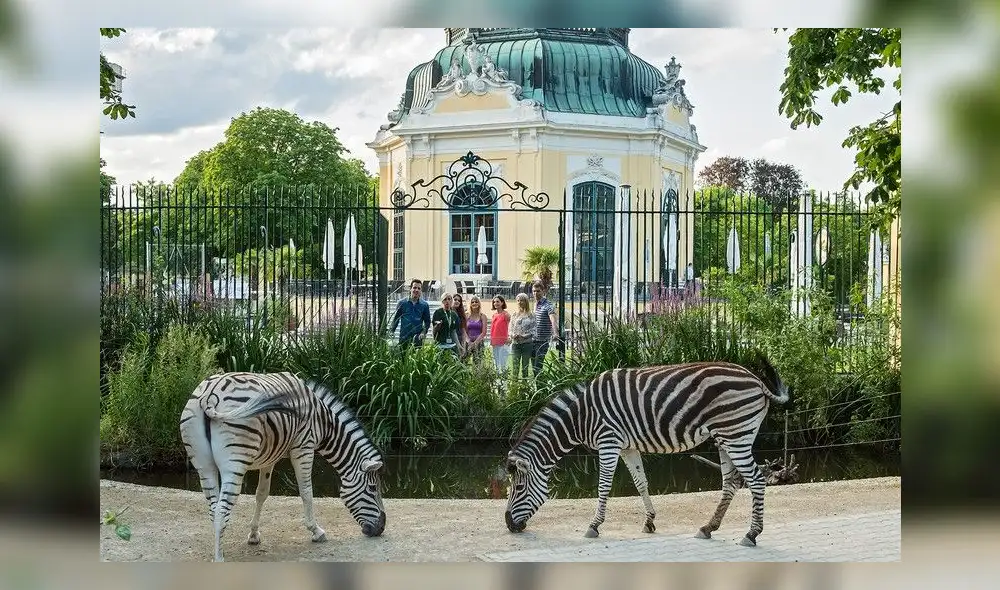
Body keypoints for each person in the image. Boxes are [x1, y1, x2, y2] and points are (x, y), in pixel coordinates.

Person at [388, 278, 431, 351]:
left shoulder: (424, 305)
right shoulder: (402, 303)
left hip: (417, 338)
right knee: (402, 360)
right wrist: (392, 331)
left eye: (419, 288)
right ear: (410, 289)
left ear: (421, 291)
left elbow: (427, 321)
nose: (416, 290)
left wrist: (424, 332)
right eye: (414, 287)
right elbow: (396, 319)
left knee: (416, 360)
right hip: (404, 337)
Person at [530, 280, 559, 377]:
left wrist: (555, 333)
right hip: (532, 340)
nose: (535, 293)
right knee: (534, 368)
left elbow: (553, 320)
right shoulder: (535, 305)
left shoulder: (548, 305)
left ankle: (542, 389)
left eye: (538, 291)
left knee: (538, 366)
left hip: (542, 341)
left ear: (543, 291)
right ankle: (540, 388)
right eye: (534, 291)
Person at [507, 293, 535, 378]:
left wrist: (524, 336)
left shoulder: (531, 315)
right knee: (515, 367)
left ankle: (524, 387)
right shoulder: (515, 314)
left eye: (522, 300)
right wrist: (512, 335)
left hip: (527, 344)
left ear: (526, 301)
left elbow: (534, 329)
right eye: (518, 300)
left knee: (525, 368)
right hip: (516, 344)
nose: (519, 302)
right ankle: (514, 387)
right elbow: (510, 328)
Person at [431, 292, 461, 357]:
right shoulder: (438, 312)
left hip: (451, 345)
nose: (447, 301)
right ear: (442, 301)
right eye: (445, 299)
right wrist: (437, 326)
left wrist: (458, 345)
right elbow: (434, 331)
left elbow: (454, 331)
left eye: (449, 299)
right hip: (440, 344)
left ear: (451, 301)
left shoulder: (454, 314)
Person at [489, 295, 511, 372]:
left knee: (503, 364)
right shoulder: (494, 315)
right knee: (496, 364)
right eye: (494, 302)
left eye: (498, 301)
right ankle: (497, 382)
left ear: (502, 303)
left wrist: (509, 337)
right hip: (494, 342)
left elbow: (510, 326)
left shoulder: (506, 314)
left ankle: (504, 383)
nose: (495, 303)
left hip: (503, 342)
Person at [464, 296, 488, 361]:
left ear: (479, 304)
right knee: (463, 363)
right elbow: (463, 330)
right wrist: (469, 342)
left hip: (479, 343)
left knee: (478, 365)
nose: (474, 303)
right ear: (470, 304)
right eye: (472, 302)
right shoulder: (466, 315)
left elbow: (484, 332)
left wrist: (475, 343)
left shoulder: (483, 316)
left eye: (476, 302)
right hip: (467, 342)